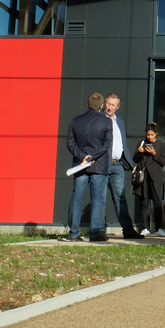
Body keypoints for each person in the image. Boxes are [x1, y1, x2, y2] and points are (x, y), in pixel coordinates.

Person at [65, 93, 112, 242]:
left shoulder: (75, 121)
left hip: (80, 165)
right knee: (97, 199)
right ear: (102, 106)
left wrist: (82, 157)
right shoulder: (106, 122)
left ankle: (73, 233)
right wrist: (92, 157)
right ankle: (95, 233)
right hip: (98, 165)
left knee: (76, 198)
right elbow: (106, 145)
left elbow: (70, 143)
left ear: (87, 104)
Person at [103, 94, 144, 239]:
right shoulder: (99, 119)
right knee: (101, 198)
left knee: (120, 199)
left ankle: (128, 230)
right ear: (104, 104)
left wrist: (130, 163)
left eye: (113, 105)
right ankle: (99, 231)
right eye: (108, 104)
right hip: (103, 164)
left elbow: (122, 143)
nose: (110, 107)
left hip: (118, 165)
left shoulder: (119, 122)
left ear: (118, 107)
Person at [133, 123, 165, 236]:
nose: (149, 137)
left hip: (156, 177)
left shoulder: (161, 145)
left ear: (156, 134)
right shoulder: (141, 143)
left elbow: (163, 161)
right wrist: (140, 152)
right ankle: (145, 228)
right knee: (144, 202)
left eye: (152, 135)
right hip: (144, 176)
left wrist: (154, 154)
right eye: (148, 135)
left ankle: (159, 228)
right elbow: (135, 159)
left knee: (158, 203)